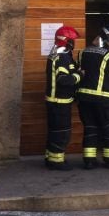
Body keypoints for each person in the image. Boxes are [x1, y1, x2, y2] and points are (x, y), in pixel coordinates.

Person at [77, 24, 109, 169]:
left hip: (83, 101)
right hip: (103, 101)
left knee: (90, 129)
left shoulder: (83, 52)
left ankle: (89, 161)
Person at [44, 25, 82, 170]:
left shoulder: (55, 54)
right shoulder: (62, 57)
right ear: (66, 41)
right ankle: (56, 162)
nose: (74, 43)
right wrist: (80, 75)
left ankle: (50, 158)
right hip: (60, 102)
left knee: (54, 131)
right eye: (72, 40)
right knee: (61, 132)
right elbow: (64, 80)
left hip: (53, 101)